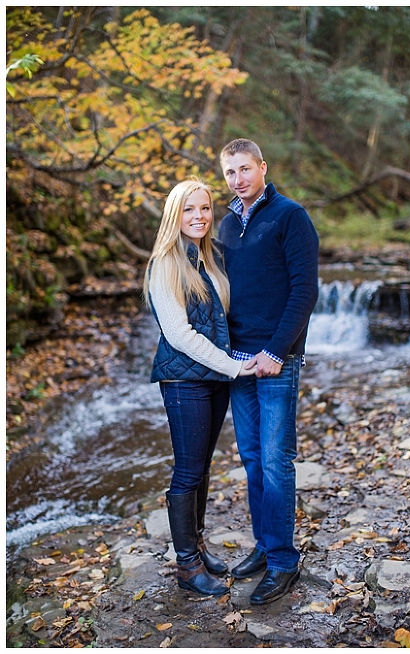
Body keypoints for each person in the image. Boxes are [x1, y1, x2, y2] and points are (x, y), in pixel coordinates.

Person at [217, 138, 320, 605]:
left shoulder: (290, 216)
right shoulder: (224, 224)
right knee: (254, 460)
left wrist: (277, 352)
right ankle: (265, 545)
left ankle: (283, 561)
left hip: (275, 361)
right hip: (236, 362)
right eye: (229, 173)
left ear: (262, 167)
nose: (237, 179)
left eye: (244, 169)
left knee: (277, 463)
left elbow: (305, 290)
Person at [144, 178, 255, 596]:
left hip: (212, 380)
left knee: (203, 468)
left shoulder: (209, 259)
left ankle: (198, 544)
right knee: (187, 471)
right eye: (190, 209)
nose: (199, 217)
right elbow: (179, 334)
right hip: (183, 381)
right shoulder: (166, 263)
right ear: (175, 215)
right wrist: (233, 366)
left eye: (205, 208)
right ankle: (187, 567)